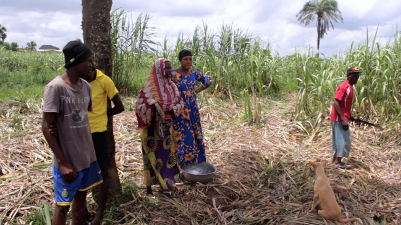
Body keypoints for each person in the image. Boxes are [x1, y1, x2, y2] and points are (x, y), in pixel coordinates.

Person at [42, 41, 103, 225]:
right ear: (75, 62)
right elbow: (47, 126)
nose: (92, 65)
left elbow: (81, 118)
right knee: (62, 207)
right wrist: (63, 163)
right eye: (88, 61)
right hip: (68, 161)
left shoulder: (86, 86)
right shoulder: (56, 87)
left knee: (81, 199)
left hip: (86, 157)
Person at [135, 58, 184, 196]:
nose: (170, 70)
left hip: (167, 127)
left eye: (170, 68)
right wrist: (153, 108)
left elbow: (180, 102)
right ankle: (149, 189)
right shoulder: (149, 87)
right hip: (152, 128)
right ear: (159, 70)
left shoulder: (172, 86)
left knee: (166, 156)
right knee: (151, 158)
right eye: (166, 68)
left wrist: (171, 110)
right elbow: (139, 106)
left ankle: (166, 184)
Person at [171, 50, 212, 166]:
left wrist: (195, 92)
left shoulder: (194, 73)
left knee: (194, 131)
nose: (188, 61)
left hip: (192, 107)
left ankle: (195, 160)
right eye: (185, 59)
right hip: (179, 107)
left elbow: (207, 81)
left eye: (190, 59)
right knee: (181, 132)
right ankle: (181, 161)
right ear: (180, 60)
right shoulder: (173, 74)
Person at [330, 67, 361, 169]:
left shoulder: (349, 87)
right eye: (354, 76)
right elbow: (336, 103)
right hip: (339, 118)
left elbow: (344, 104)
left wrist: (349, 115)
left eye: (357, 76)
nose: (357, 78)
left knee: (338, 139)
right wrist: (343, 119)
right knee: (343, 140)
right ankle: (339, 162)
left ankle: (334, 161)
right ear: (348, 76)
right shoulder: (344, 87)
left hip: (340, 117)